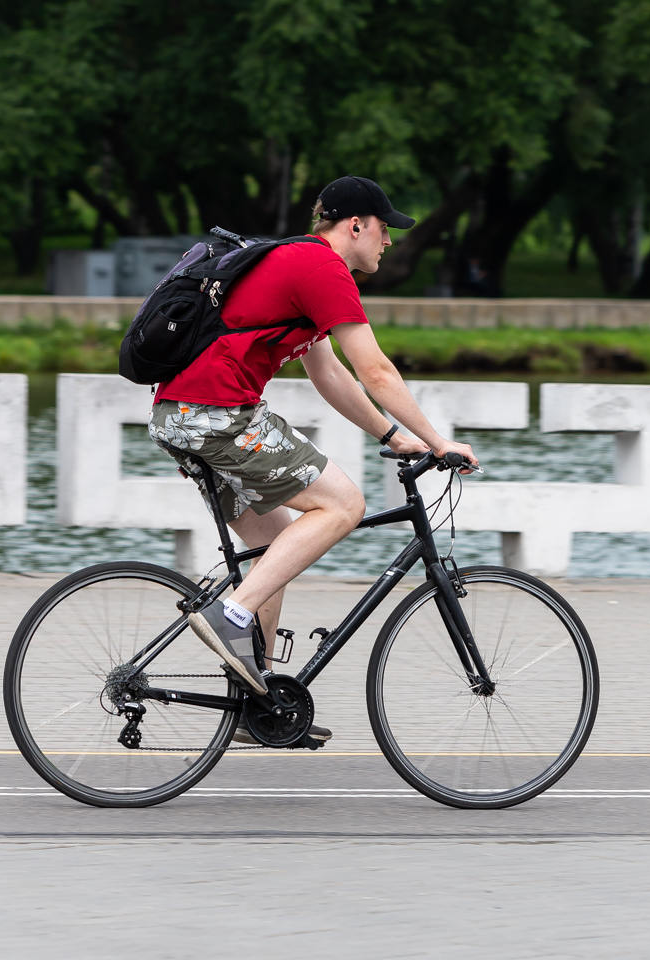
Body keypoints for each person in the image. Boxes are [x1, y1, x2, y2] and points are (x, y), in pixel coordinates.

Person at [147, 175, 478, 742]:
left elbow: (330, 374)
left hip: (182, 415)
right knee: (343, 504)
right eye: (383, 229)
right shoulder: (322, 269)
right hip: (218, 415)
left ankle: (259, 704)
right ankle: (230, 617)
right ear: (355, 225)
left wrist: (394, 435)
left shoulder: (300, 268)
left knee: (276, 548)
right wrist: (439, 439)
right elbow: (376, 370)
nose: (388, 242)